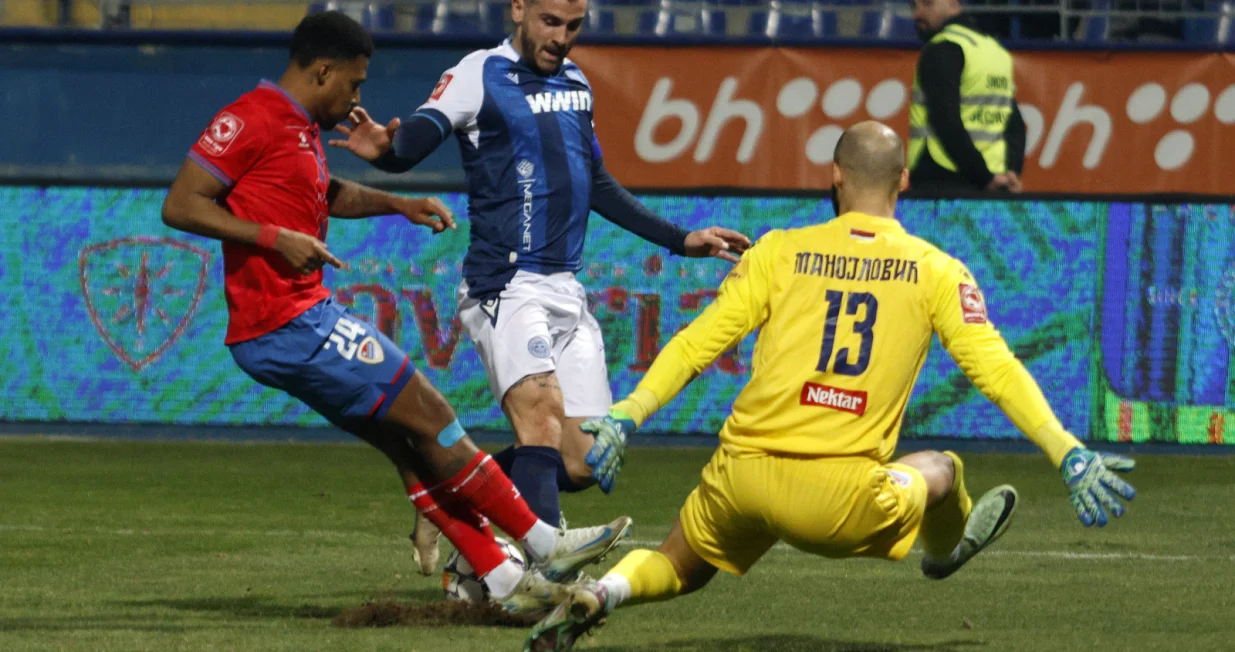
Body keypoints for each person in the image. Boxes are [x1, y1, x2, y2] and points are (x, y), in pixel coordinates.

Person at [523, 122, 1137, 651]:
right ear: (903, 183)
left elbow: (697, 343)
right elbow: (996, 370)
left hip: (744, 473)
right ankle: (944, 552)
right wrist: (1067, 451)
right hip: (840, 500)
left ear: (835, 174)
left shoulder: (778, 250)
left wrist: (628, 414)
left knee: (683, 564)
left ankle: (604, 592)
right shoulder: (938, 269)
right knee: (943, 470)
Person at [159, 11, 630, 614]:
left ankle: (505, 583)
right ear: (322, 70)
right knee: (435, 418)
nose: (357, 97)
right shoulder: (252, 117)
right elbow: (181, 204)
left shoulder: (297, 127)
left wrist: (397, 204)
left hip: (289, 324)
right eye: (353, 84)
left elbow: (323, 193)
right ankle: (543, 540)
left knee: (411, 447)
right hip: (290, 323)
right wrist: (272, 238)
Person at [329, 0, 751, 573]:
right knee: (542, 418)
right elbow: (413, 141)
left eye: (573, 26)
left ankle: (448, 495)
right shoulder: (479, 73)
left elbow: (596, 181)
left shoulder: (576, 83)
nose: (561, 38)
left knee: (578, 460)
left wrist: (680, 239)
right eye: (551, 22)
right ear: (519, 9)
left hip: (564, 289)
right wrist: (387, 149)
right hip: (504, 283)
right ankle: (537, 578)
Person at [908, 0, 1028, 193]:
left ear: (954, 5)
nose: (917, 14)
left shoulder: (942, 48)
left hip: (942, 181)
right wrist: (1011, 173)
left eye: (927, 4)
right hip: (994, 182)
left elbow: (946, 121)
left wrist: (984, 176)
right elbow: (1015, 126)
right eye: (914, 6)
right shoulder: (996, 52)